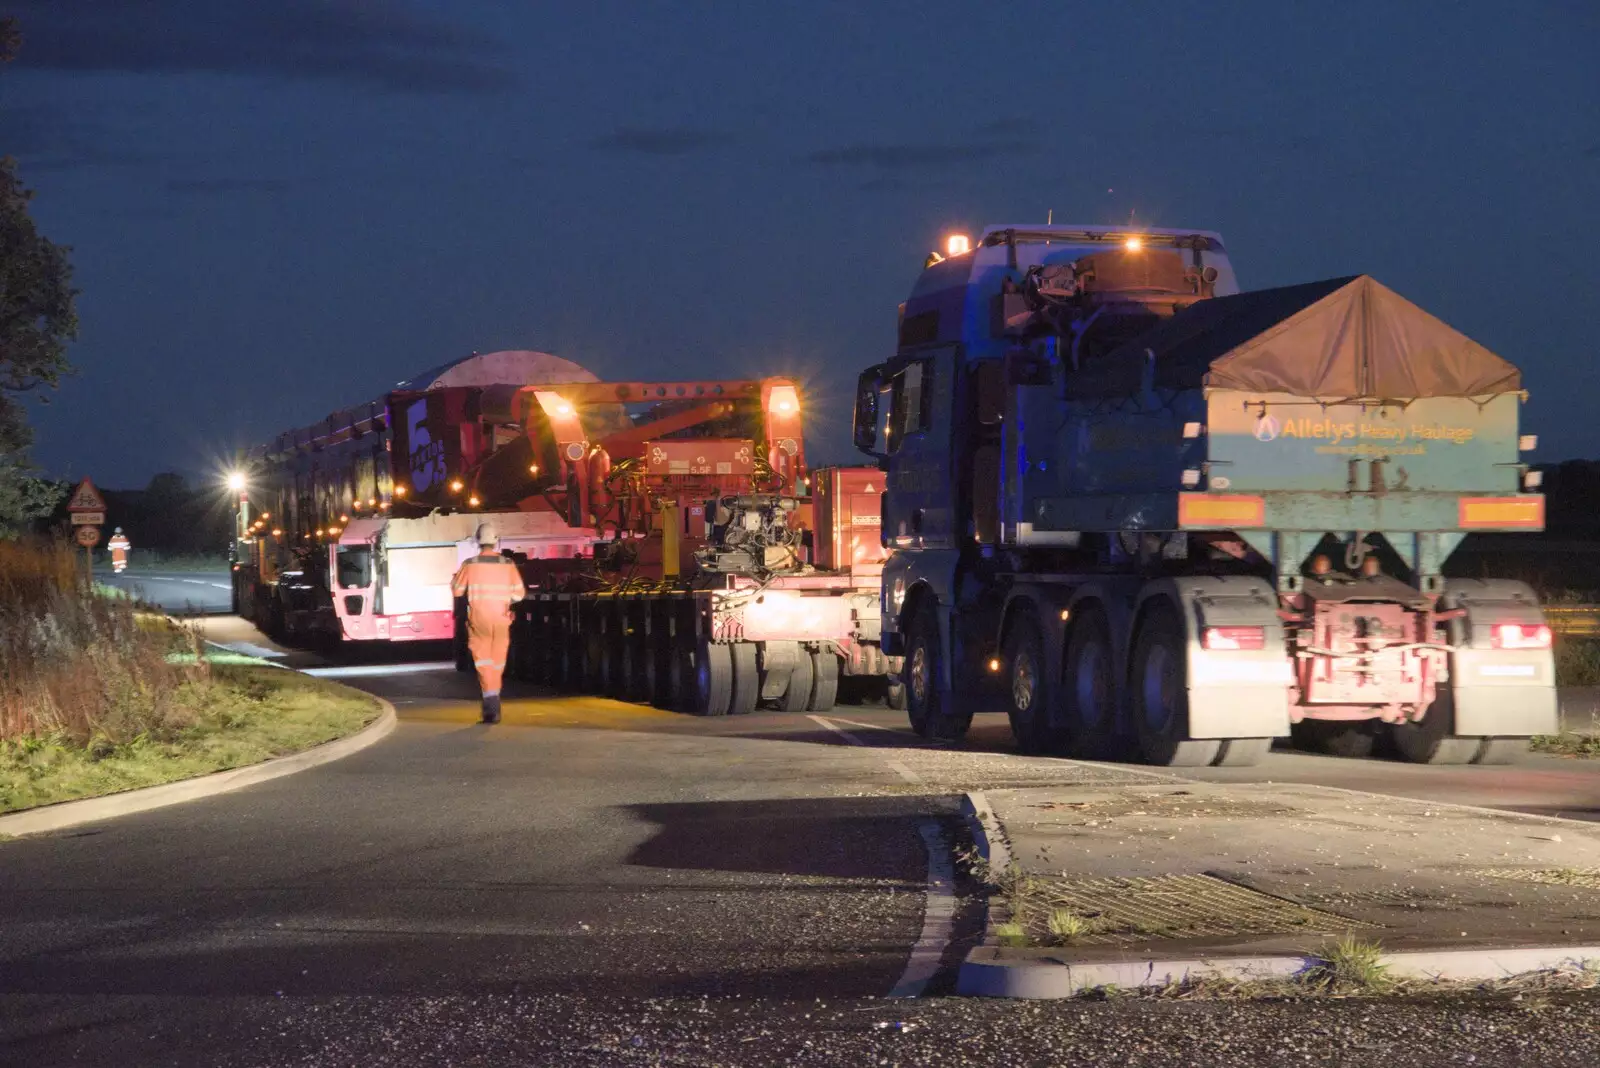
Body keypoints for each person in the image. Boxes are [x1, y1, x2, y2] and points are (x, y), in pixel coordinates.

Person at [449, 522, 526, 724]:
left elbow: (457, 591)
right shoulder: (508, 564)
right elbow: (519, 594)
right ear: (495, 541)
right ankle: (493, 700)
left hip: (479, 619)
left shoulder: (469, 564)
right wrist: (504, 600)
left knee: (483, 661)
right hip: (502, 618)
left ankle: (490, 703)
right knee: (498, 660)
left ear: (477, 541)